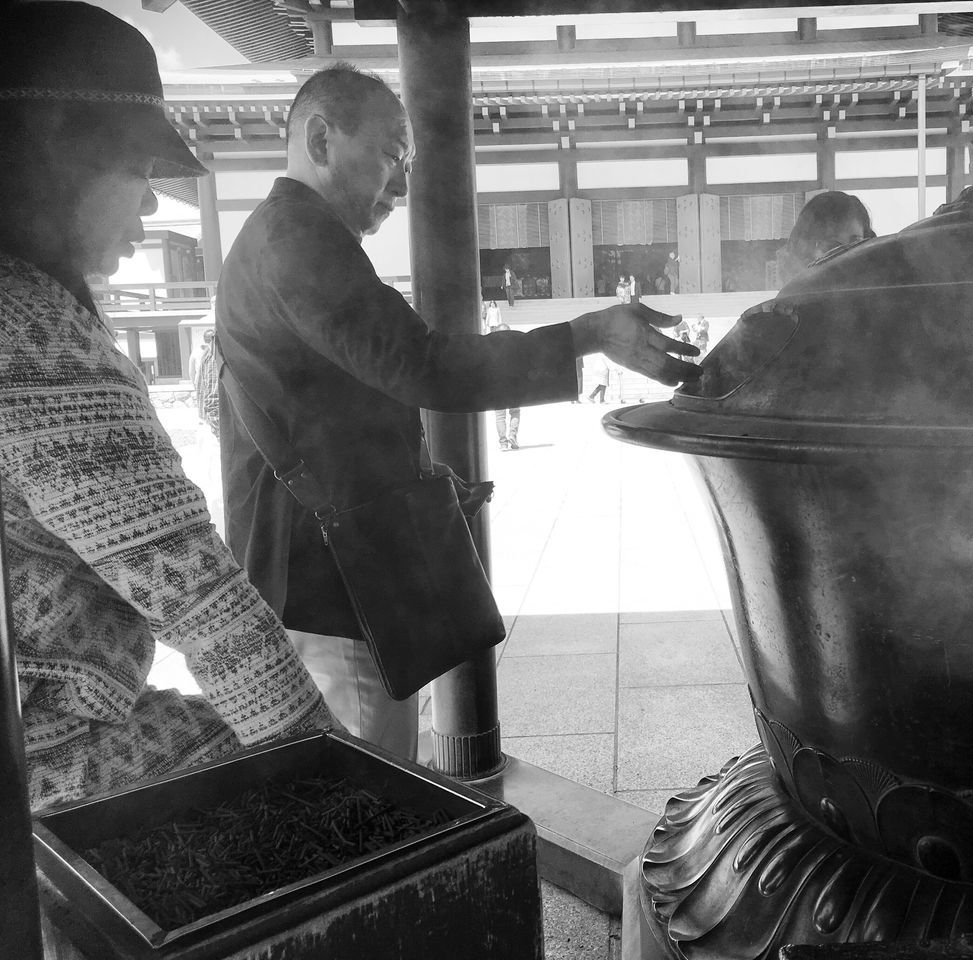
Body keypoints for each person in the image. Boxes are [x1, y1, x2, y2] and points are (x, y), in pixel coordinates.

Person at [216, 64, 700, 760]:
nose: (404, 186)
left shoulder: (278, 237)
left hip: (324, 567)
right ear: (320, 138)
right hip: (332, 582)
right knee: (370, 789)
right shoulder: (298, 240)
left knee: (362, 781)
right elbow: (423, 365)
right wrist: (588, 334)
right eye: (391, 155)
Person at [0, 1, 335, 813]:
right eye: (139, 172)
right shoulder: (33, 338)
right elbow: (197, 595)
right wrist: (344, 779)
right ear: (55, 152)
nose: (150, 207)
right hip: (41, 760)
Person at [780, 191, 875, 284]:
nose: (846, 254)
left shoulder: (877, 292)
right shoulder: (793, 296)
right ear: (804, 252)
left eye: (855, 243)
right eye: (832, 246)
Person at [491, 323, 520, 450]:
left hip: (497, 385)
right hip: (514, 384)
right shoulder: (516, 348)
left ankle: (503, 442)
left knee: (500, 416)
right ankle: (512, 435)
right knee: (515, 412)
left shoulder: (491, 349)